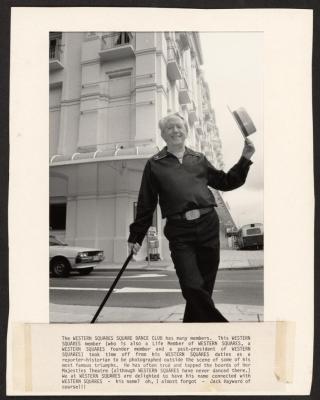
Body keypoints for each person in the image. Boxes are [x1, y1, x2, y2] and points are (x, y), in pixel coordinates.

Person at [128, 112, 255, 322]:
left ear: (186, 131)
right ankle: (221, 327)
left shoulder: (199, 159)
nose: (176, 130)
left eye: (179, 126)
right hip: (180, 232)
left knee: (204, 287)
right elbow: (146, 203)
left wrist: (245, 158)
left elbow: (225, 182)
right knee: (192, 286)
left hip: (208, 225)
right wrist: (136, 237)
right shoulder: (155, 164)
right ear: (163, 134)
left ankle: (192, 327)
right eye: (170, 128)